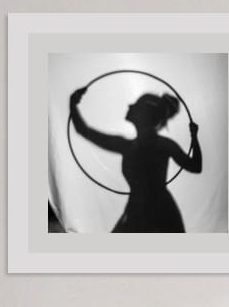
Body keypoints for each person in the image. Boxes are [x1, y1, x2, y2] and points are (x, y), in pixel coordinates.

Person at [69, 86, 202, 232]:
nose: (130, 105)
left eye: (136, 104)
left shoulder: (129, 146)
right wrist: (194, 137)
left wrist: (73, 104)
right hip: (149, 210)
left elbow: (195, 167)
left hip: (154, 214)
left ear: (144, 114)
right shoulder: (161, 144)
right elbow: (195, 166)